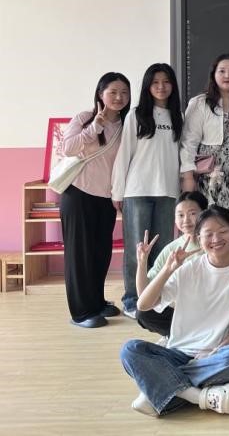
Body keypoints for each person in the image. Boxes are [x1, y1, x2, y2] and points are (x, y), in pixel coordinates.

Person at [120, 206, 229, 416]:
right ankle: (201, 397)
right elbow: (143, 305)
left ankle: (160, 388)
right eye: (208, 234)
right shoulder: (189, 269)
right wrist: (167, 269)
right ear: (199, 238)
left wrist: (218, 349)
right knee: (130, 350)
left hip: (217, 358)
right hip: (177, 353)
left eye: (223, 231)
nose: (216, 239)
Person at [112, 63, 184, 319]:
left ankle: (155, 297)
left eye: (166, 82)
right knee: (138, 250)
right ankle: (132, 300)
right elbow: (124, 154)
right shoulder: (136, 114)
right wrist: (118, 192)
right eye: (155, 82)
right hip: (138, 190)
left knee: (163, 249)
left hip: (168, 192)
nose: (161, 87)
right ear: (147, 86)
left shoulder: (178, 116)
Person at [60, 72, 131, 328]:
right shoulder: (84, 118)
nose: (119, 97)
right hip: (78, 193)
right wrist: (95, 127)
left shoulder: (126, 125)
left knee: (100, 252)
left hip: (105, 198)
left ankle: (96, 302)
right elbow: (67, 148)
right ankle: (81, 313)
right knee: (80, 254)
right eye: (113, 92)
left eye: (124, 92)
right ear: (101, 94)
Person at [180, 53, 229, 249]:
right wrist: (187, 177)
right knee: (210, 231)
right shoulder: (200, 103)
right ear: (214, 74)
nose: (227, 75)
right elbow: (188, 142)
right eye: (222, 71)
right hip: (210, 181)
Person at [135, 191, 207, 337]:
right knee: (144, 313)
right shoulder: (171, 249)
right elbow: (144, 295)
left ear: (204, 213)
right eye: (180, 215)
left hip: (208, 309)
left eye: (192, 213)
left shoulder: (212, 244)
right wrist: (142, 263)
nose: (186, 220)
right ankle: (181, 337)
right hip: (181, 312)